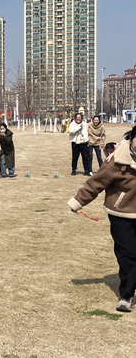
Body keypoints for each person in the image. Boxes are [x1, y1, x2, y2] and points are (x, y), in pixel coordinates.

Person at [68, 125, 136, 313]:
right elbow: (96, 183)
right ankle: (126, 295)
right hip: (121, 214)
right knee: (128, 254)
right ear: (132, 138)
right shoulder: (116, 159)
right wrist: (78, 202)